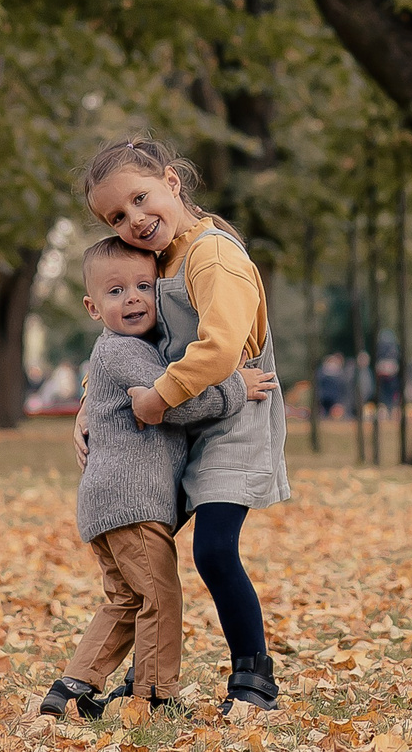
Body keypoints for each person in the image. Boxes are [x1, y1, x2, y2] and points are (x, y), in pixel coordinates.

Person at [76, 135, 291, 714]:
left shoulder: (213, 255)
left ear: (172, 182)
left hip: (235, 419)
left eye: (142, 199)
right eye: (117, 216)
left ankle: (253, 678)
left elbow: (221, 348)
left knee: (215, 551)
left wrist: (158, 399)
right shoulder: (159, 260)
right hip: (182, 428)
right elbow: (127, 343)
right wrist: (92, 404)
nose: (135, 220)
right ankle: (148, 681)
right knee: (150, 560)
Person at [39, 238, 248, 720]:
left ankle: (72, 687)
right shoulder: (124, 352)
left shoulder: (119, 351)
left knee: (126, 600)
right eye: (116, 291)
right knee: (159, 596)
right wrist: (236, 387)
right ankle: (155, 694)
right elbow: (173, 404)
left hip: (106, 504)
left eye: (143, 286)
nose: (132, 297)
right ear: (93, 307)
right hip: (130, 504)